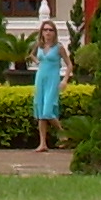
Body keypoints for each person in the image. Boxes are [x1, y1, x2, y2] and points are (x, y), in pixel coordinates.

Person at [30, 16, 67, 150]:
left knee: (47, 111)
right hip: (40, 78)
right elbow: (31, 55)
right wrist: (37, 61)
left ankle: (63, 134)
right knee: (40, 112)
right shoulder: (39, 45)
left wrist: (65, 79)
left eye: (50, 30)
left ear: (54, 32)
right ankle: (42, 143)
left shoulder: (59, 47)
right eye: (45, 30)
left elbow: (69, 65)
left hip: (53, 79)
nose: (48, 32)